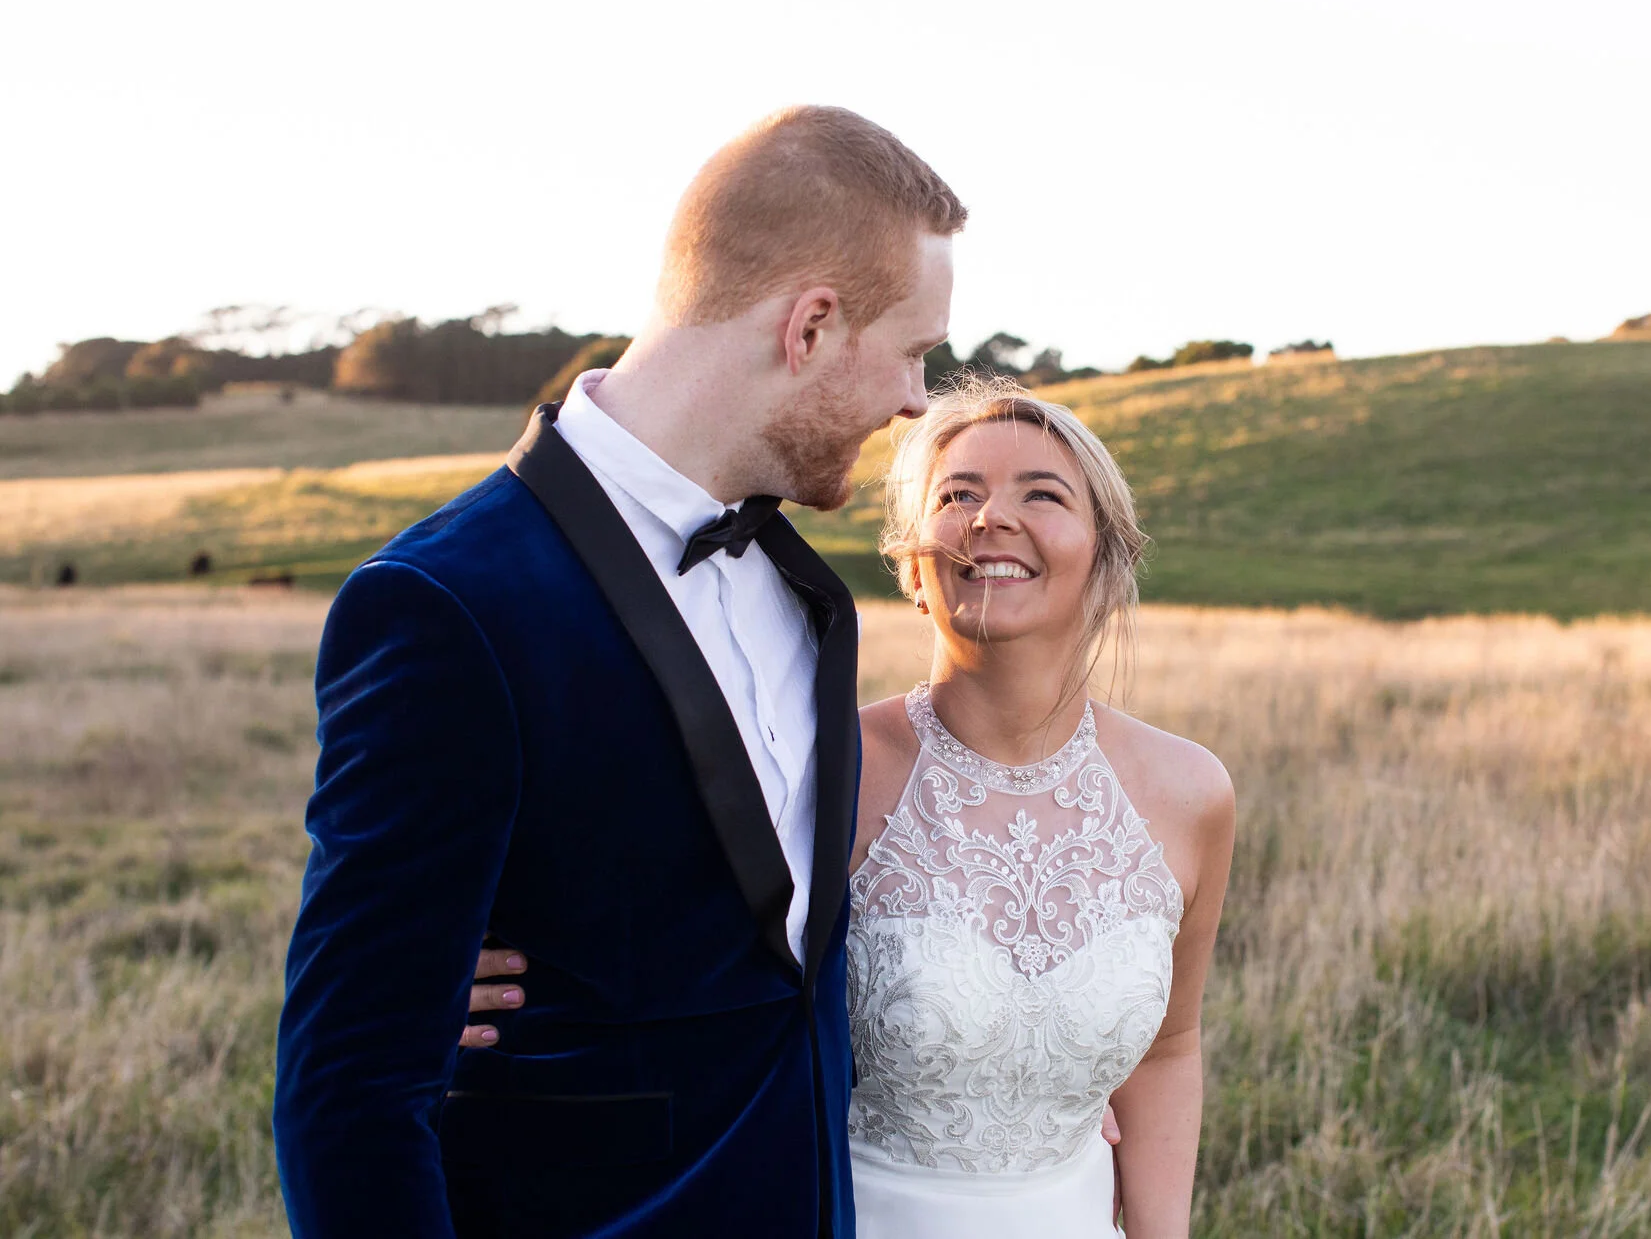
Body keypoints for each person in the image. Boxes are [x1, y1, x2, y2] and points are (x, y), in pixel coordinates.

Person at [272, 104, 965, 1238]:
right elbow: (349, 1088)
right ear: (810, 326)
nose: (915, 399)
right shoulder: (447, 604)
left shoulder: (804, 591)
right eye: (912, 351)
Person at [471, 379, 1237, 1236]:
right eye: (958, 495)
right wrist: (451, 965)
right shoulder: (824, 764)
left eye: (1042, 494)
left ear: (1107, 558)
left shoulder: (1189, 793)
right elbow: (642, 934)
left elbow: (1168, 1050)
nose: (991, 517)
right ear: (912, 567)